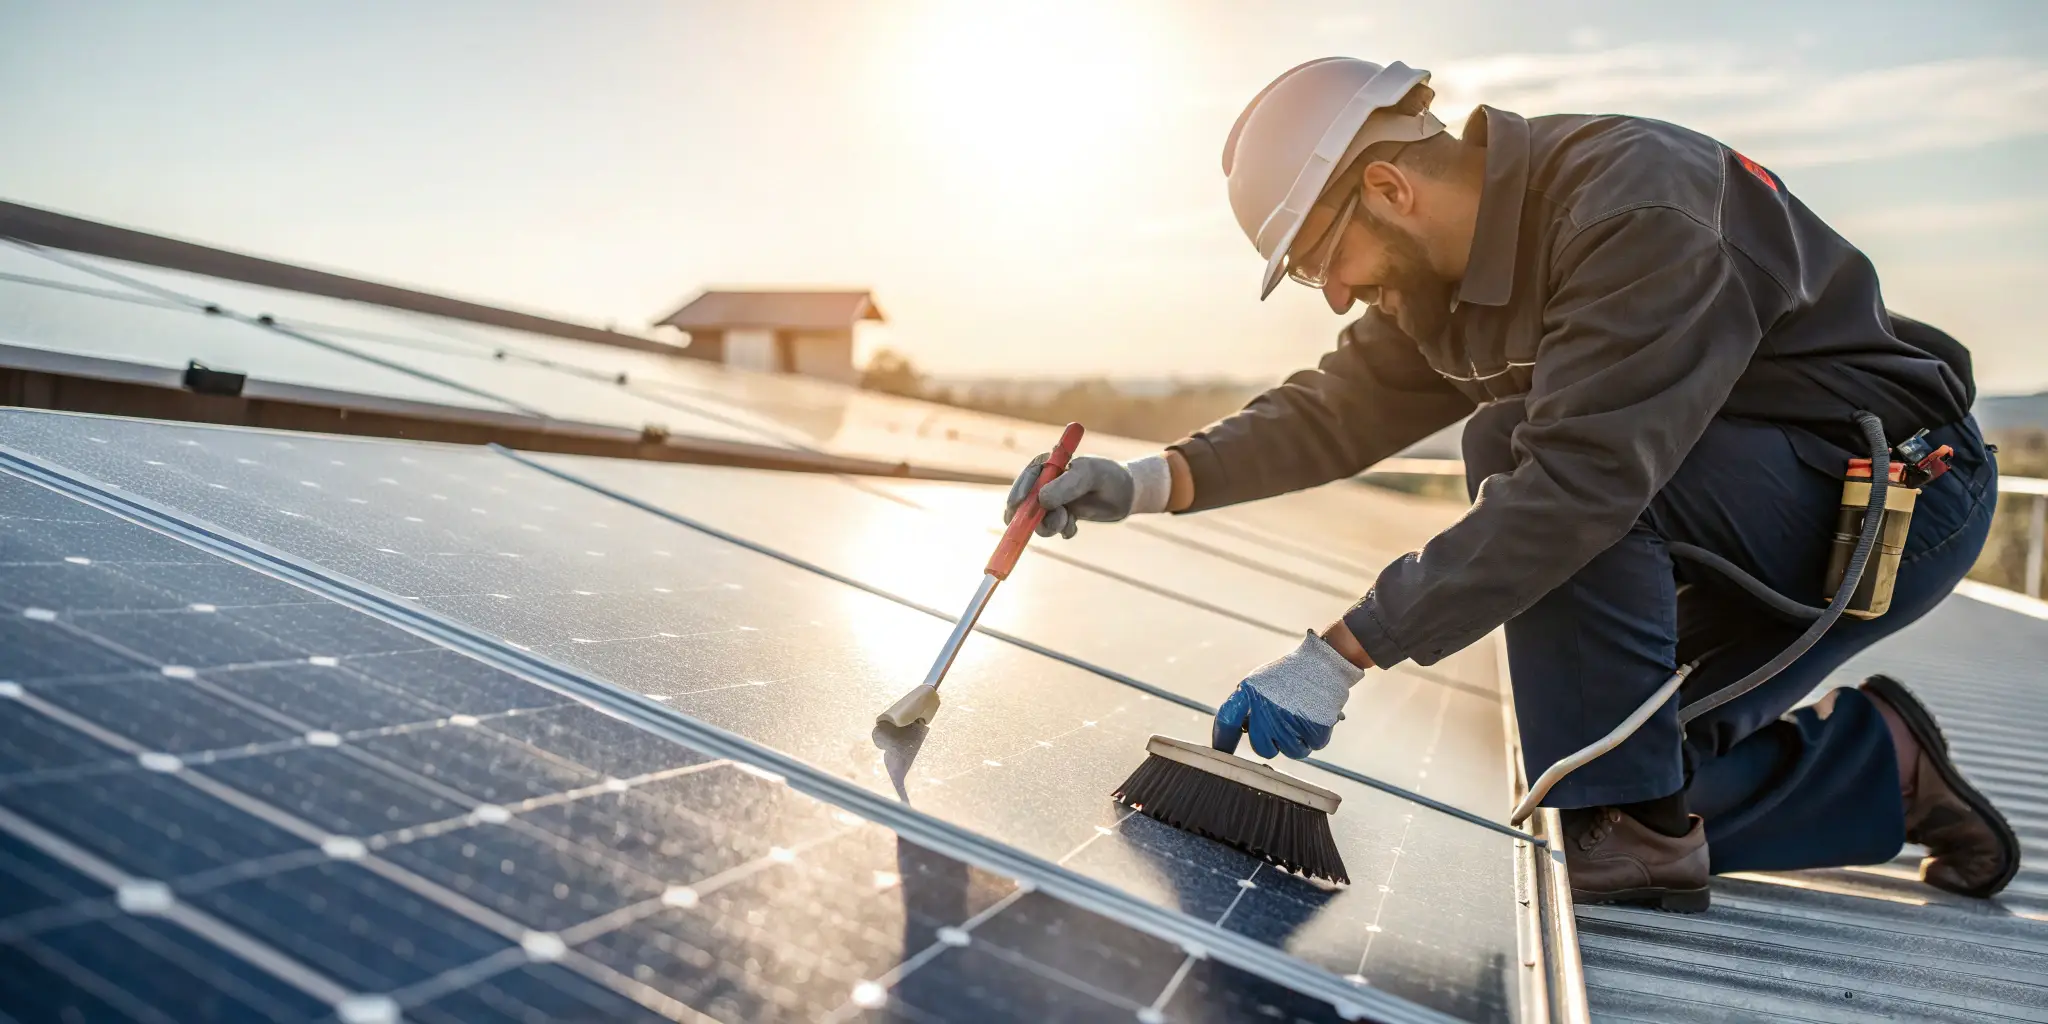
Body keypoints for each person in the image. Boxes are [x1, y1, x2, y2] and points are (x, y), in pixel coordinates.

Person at [1002, 57, 2017, 909]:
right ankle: (1877, 766)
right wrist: (1137, 482)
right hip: (1743, 500)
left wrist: (1342, 653)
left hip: (1880, 499)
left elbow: (1579, 483)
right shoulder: (1454, 273)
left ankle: (1655, 827)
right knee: (1612, 784)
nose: (1340, 295)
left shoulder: (1637, 209)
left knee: (1518, 468)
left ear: (1388, 188)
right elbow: (1339, 408)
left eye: (1320, 264)